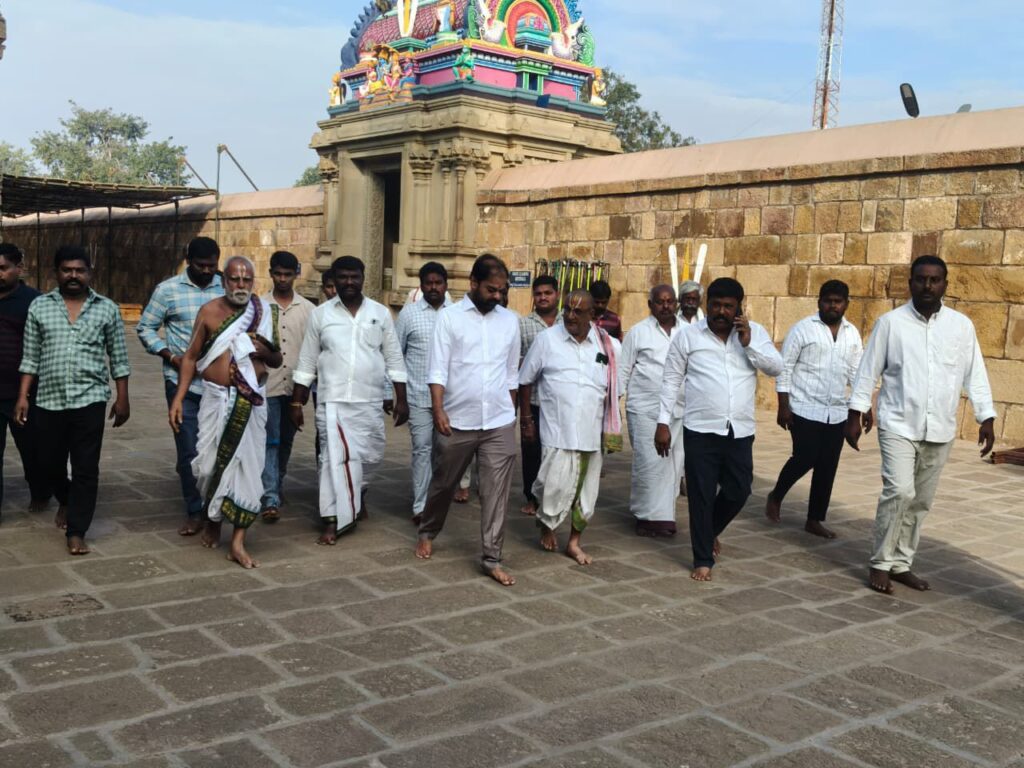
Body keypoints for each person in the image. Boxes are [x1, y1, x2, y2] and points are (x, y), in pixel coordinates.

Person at [846, 255, 996, 595]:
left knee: (920, 501)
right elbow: (868, 370)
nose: (927, 286)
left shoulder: (961, 326)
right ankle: (881, 562)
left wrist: (985, 416)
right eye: (921, 279)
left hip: (940, 427)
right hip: (898, 422)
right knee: (899, 491)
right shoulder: (890, 324)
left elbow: (975, 372)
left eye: (934, 280)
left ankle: (901, 563)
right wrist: (855, 413)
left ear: (945, 284)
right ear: (910, 283)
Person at [655, 277, 783, 581]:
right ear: (706, 304)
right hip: (700, 428)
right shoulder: (688, 336)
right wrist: (662, 422)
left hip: (739, 430)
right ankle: (702, 558)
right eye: (715, 305)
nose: (721, 311)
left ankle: (709, 529)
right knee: (700, 494)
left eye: (728, 306)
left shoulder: (754, 334)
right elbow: (671, 380)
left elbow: (776, 367)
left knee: (740, 489)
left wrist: (749, 343)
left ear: (739, 307)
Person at [15, 246, 131, 555]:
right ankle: (66, 498)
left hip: (90, 399)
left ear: (90, 273)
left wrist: (123, 397)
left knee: (86, 467)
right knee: (47, 462)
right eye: (67, 270)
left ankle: (77, 531)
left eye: (80, 270)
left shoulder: (107, 308)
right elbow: (30, 356)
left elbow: (119, 357)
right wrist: (23, 396)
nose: (73, 276)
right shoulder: (40, 307)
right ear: (57, 273)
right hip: (48, 399)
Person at [169, 256, 281, 569]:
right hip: (215, 399)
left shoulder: (263, 311)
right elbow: (190, 357)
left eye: (247, 280)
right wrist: (178, 398)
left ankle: (238, 542)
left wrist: (265, 350)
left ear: (253, 282)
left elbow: (276, 360)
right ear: (224, 280)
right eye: (235, 279)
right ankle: (214, 518)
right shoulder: (209, 311)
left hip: (250, 402)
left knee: (248, 469)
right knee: (207, 468)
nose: (241, 285)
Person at [415, 254, 520, 587]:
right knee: (444, 483)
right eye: (491, 289)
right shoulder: (449, 318)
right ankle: (428, 529)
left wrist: (511, 413)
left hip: (499, 421)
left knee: (496, 492)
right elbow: (436, 369)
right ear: (473, 283)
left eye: (502, 291)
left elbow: (512, 373)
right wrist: (438, 410)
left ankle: (492, 558)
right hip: (456, 420)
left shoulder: (510, 321)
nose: (497, 296)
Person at [291, 256, 408, 544]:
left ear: (363, 277)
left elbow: (394, 357)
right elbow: (307, 360)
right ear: (334, 280)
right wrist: (296, 403)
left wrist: (401, 398)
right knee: (333, 459)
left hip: (369, 401)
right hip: (332, 401)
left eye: (354, 276)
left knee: (370, 457)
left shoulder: (380, 313)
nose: (349, 282)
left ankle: (357, 494)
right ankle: (333, 520)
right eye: (343, 277)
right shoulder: (321, 315)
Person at [519, 289, 620, 565]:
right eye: (567, 309)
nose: (570, 316)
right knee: (549, 486)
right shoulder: (547, 340)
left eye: (578, 311)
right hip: (556, 430)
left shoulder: (608, 345)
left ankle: (574, 541)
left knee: (587, 493)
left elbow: (614, 390)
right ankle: (547, 525)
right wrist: (526, 419)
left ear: (592, 315)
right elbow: (525, 380)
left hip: (591, 433)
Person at [137, 236, 223, 536]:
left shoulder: (225, 287)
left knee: (215, 448)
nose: (207, 271)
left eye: (212, 266)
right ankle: (195, 510)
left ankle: (215, 505)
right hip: (181, 383)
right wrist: (169, 355)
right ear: (188, 261)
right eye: (201, 266)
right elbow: (146, 327)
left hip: (218, 384)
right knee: (188, 449)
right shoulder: (168, 290)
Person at [767, 280, 863, 539]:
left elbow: (857, 373)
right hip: (804, 407)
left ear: (846, 304)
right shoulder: (803, 329)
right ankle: (777, 495)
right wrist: (783, 406)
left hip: (837, 411)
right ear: (819, 302)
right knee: (805, 457)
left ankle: (815, 519)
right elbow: (785, 367)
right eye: (827, 301)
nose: (832, 306)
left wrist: (862, 408)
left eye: (838, 301)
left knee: (827, 466)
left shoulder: (852, 334)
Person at [620, 285, 685, 537]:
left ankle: (665, 516)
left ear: (676, 303)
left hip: (679, 409)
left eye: (670, 301)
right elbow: (624, 370)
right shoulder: (638, 332)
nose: (665, 306)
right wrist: (613, 406)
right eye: (660, 302)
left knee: (673, 464)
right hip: (645, 408)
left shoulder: (687, 331)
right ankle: (646, 516)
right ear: (650, 305)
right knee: (649, 462)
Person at [0, 242, 54, 522]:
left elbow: (46, 345)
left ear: (18, 268)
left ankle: (41, 492)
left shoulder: (35, 302)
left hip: (24, 392)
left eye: (3, 268)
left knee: (33, 450)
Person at [395, 262, 452, 525]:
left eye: (438, 283)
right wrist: (396, 397)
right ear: (421, 285)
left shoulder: (457, 314)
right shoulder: (409, 314)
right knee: (421, 448)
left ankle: (437, 499)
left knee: (444, 452)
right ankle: (420, 506)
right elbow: (396, 355)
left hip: (450, 399)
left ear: (446, 284)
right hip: (418, 395)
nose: (433, 288)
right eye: (428, 283)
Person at [259, 251, 314, 523]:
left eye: (287, 274)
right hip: (267, 386)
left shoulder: (308, 310)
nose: (282, 279)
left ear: (296, 274)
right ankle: (269, 497)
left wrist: (304, 391)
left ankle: (276, 483)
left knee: (285, 441)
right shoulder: (259, 306)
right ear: (271, 273)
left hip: (294, 388)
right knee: (270, 440)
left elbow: (311, 352)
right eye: (278, 274)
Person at [518, 274, 560, 516]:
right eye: (538, 294)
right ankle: (532, 498)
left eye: (548, 293)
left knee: (557, 453)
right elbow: (517, 363)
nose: (543, 297)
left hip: (560, 402)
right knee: (532, 451)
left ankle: (554, 497)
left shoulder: (568, 321)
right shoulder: (523, 325)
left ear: (557, 295)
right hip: (533, 400)